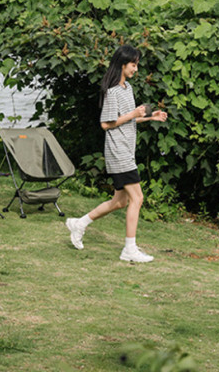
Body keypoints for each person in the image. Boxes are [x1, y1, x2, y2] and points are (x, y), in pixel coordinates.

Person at [65, 44, 168, 263]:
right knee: (137, 198)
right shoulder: (112, 91)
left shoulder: (127, 88)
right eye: (133, 65)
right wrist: (133, 113)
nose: (136, 69)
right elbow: (106, 124)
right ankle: (129, 249)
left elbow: (126, 120)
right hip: (118, 151)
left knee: (120, 202)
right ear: (122, 64)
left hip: (126, 150)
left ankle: (79, 223)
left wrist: (150, 117)